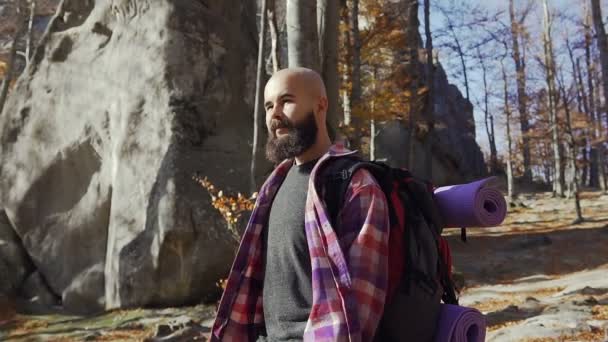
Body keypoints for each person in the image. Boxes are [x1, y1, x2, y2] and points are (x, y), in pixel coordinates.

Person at [210, 67, 390, 341]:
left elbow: (362, 306)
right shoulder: (275, 184)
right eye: (269, 106)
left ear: (321, 105)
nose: (275, 114)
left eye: (287, 101)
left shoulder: (355, 184)